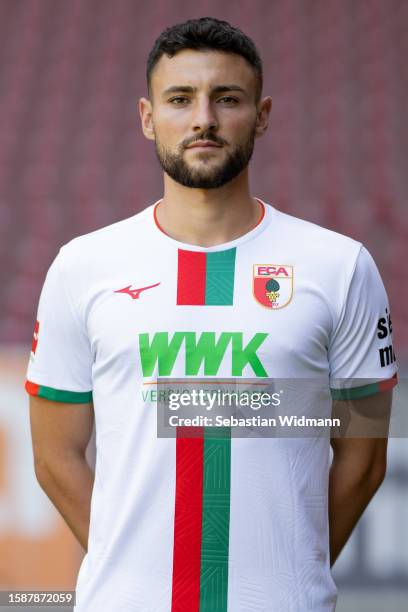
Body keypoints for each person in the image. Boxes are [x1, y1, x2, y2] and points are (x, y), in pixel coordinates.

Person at [26, 17, 397, 612]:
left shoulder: (341, 267)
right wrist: (129, 569)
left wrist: (291, 567)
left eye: (227, 99)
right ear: (148, 118)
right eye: (180, 99)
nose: (204, 118)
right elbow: (53, 457)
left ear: (263, 114)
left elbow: (365, 455)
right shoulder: (82, 267)